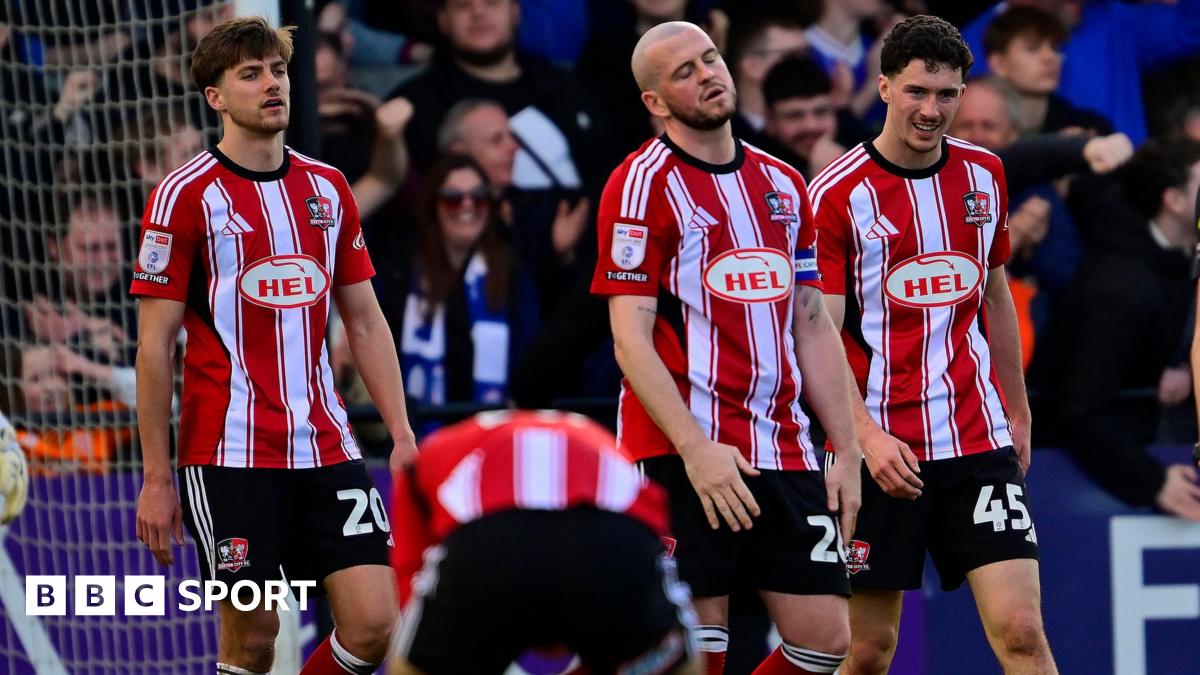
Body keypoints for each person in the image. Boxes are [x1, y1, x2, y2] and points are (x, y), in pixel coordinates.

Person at [130, 17, 416, 675]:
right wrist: (156, 477)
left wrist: (401, 432)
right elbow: (154, 347)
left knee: (375, 624)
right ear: (216, 97)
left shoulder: (327, 188)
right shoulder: (183, 196)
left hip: (326, 442)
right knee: (254, 639)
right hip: (228, 452)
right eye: (251, 74)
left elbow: (365, 321)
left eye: (278, 71)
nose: (272, 85)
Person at [592, 21, 865, 675]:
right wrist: (695, 449)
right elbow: (630, 339)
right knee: (699, 648)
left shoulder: (783, 182)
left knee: (825, 641)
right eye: (683, 72)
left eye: (710, 59)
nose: (707, 75)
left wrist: (847, 446)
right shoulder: (640, 184)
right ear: (655, 101)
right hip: (686, 448)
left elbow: (811, 325)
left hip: (785, 444)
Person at [809, 15, 1057, 674]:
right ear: (884, 87)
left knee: (1023, 630)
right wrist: (864, 436)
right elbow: (819, 332)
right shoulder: (835, 194)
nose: (931, 109)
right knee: (868, 651)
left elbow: (995, 293)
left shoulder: (984, 174)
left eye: (947, 94)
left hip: (976, 439)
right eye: (917, 91)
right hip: (880, 452)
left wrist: (1018, 409)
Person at [387, 409, 698, 674]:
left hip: (490, 544)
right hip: (608, 542)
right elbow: (652, 517)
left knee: (410, 665)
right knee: (680, 662)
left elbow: (410, 573)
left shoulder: (438, 449)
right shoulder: (597, 438)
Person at [1035, 138, 1200, 521]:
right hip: (1069, 484)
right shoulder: (1121, 289)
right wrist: (1152, 481)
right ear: (1174, 201)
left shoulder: (1173, 260)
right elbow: (1080, 410)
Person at [375, 154, 539, 410]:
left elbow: (529, 352)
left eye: (479, 196)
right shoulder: (403, 271)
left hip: (492, 422)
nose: (467, 205)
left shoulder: (511, 271)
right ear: (434, 206)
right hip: (421, 425)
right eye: (453, 198)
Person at [980, 5, 1110, 137]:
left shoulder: (1089, 128)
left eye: (1055, 48)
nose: (1051, 57)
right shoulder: (973, 123)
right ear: (999, 64)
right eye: (1033, 48)